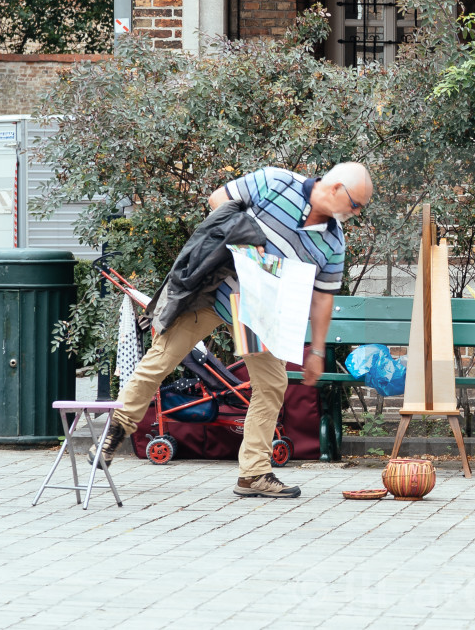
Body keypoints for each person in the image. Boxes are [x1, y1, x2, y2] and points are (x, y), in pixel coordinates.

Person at [92, 162, 373, 498]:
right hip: (214, 291)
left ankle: (253, 474)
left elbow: (323, 298)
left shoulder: (333, 243)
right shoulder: (276, 182)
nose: (355, 214)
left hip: (258, 313)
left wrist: (316, 350)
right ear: (338, 188)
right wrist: (245, 243)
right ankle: (117, 429)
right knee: (161, 359)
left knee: (271, 385)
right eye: (356, 205)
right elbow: (218, 199)